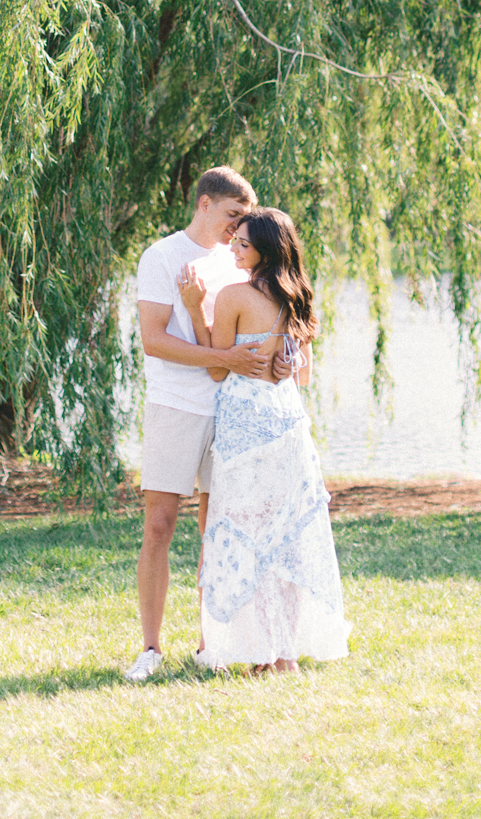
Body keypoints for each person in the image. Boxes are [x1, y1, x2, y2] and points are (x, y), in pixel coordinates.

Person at [123, 166, 291, 684]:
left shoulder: (240, 260)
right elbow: (154, 340)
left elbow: (263, 325)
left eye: (245, 220)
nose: (239, 227)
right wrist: (224, 360)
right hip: (176, 405)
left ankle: (209, 643)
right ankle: (150, 648)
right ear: (204, 204)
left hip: (232, 411)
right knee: (159, 525)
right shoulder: (163, 257)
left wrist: (274, 361)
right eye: (233, 215)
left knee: (218, 531)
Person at [182, 207, 351, 673]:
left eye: (242, 244)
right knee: (286, 535)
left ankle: (260, 654)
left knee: (247, 535)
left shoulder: (235, 296)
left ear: (265, 252)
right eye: (233, 240)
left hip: (244, 427)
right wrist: (281, 364)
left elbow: (217, 366)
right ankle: (285, 655)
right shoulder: (298, 298)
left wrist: (197, 309)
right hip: (287, 422)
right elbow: (305, 373)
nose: (233, 249)